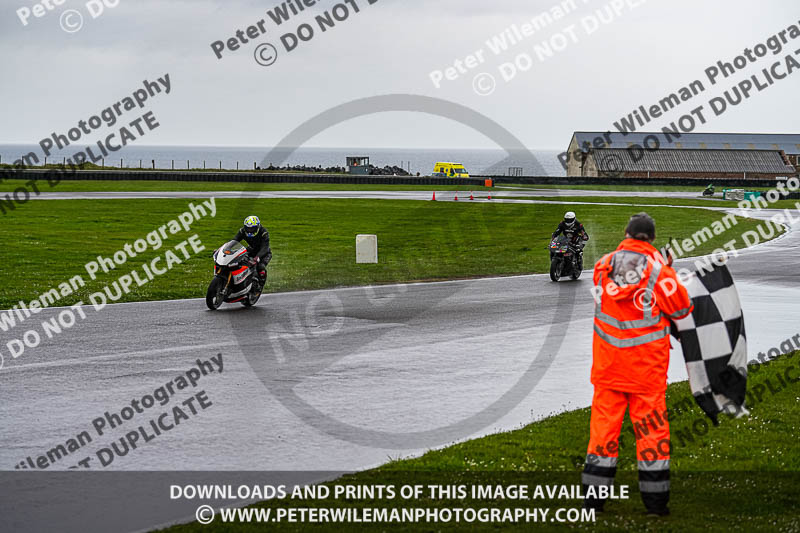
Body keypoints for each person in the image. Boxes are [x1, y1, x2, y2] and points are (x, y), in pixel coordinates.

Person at [582, 212, 693, 516]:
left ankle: (593, 502)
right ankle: (656, 504)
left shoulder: (602, 266)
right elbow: (682, 311)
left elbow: (617, 295)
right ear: (652, 238)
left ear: (626, 233)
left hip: (608, 368)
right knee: (652, 437)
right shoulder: (660, 272)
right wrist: (666, 270)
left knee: (603, 436)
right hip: (646, 372)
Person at [233, 215, 272, 284]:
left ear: (257, 227)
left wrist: (257, 257)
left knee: (260, 267)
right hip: (251, 250)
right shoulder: (242, 231)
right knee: (238, 261)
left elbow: (265, 247)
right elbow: (234, 241)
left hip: (264, 253)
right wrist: (223, 249)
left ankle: (261, 283)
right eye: (247, 228)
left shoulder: (263, 233)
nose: (249, 231)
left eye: (252, 228)